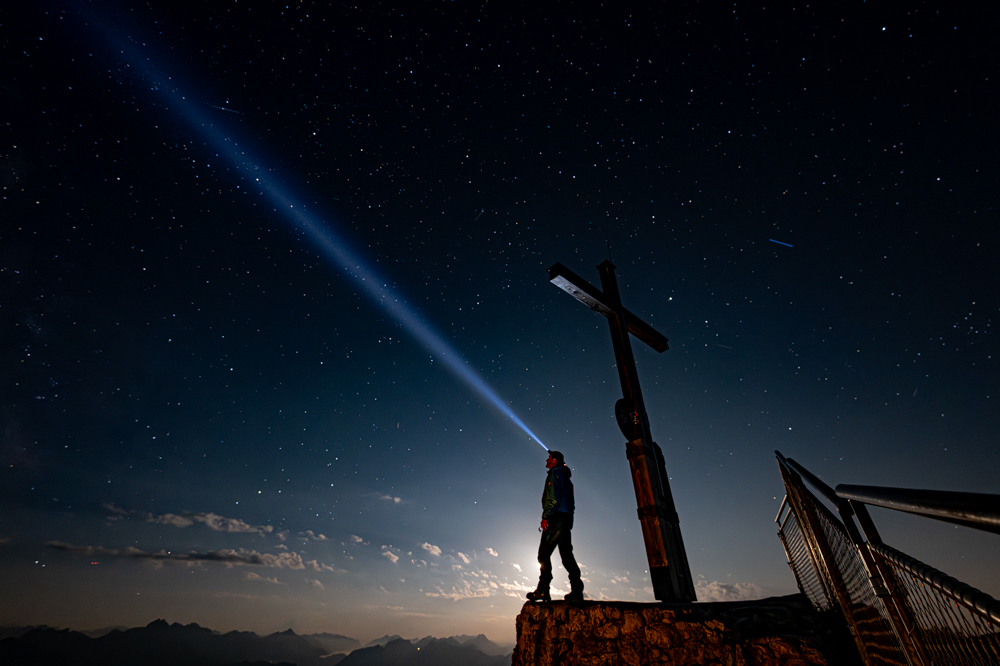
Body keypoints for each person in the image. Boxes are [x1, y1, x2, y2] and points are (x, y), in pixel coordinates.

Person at [527, 450, 584, 602]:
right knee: (566, 555)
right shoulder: (566, 477)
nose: (547, 459)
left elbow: (552, 498)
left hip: (556, 519)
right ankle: (577, 590)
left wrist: (546, 517)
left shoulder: (554, 474)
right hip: (566, 519)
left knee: (543, 554)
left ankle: (543, 590)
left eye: (549, 458)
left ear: (554, 460)